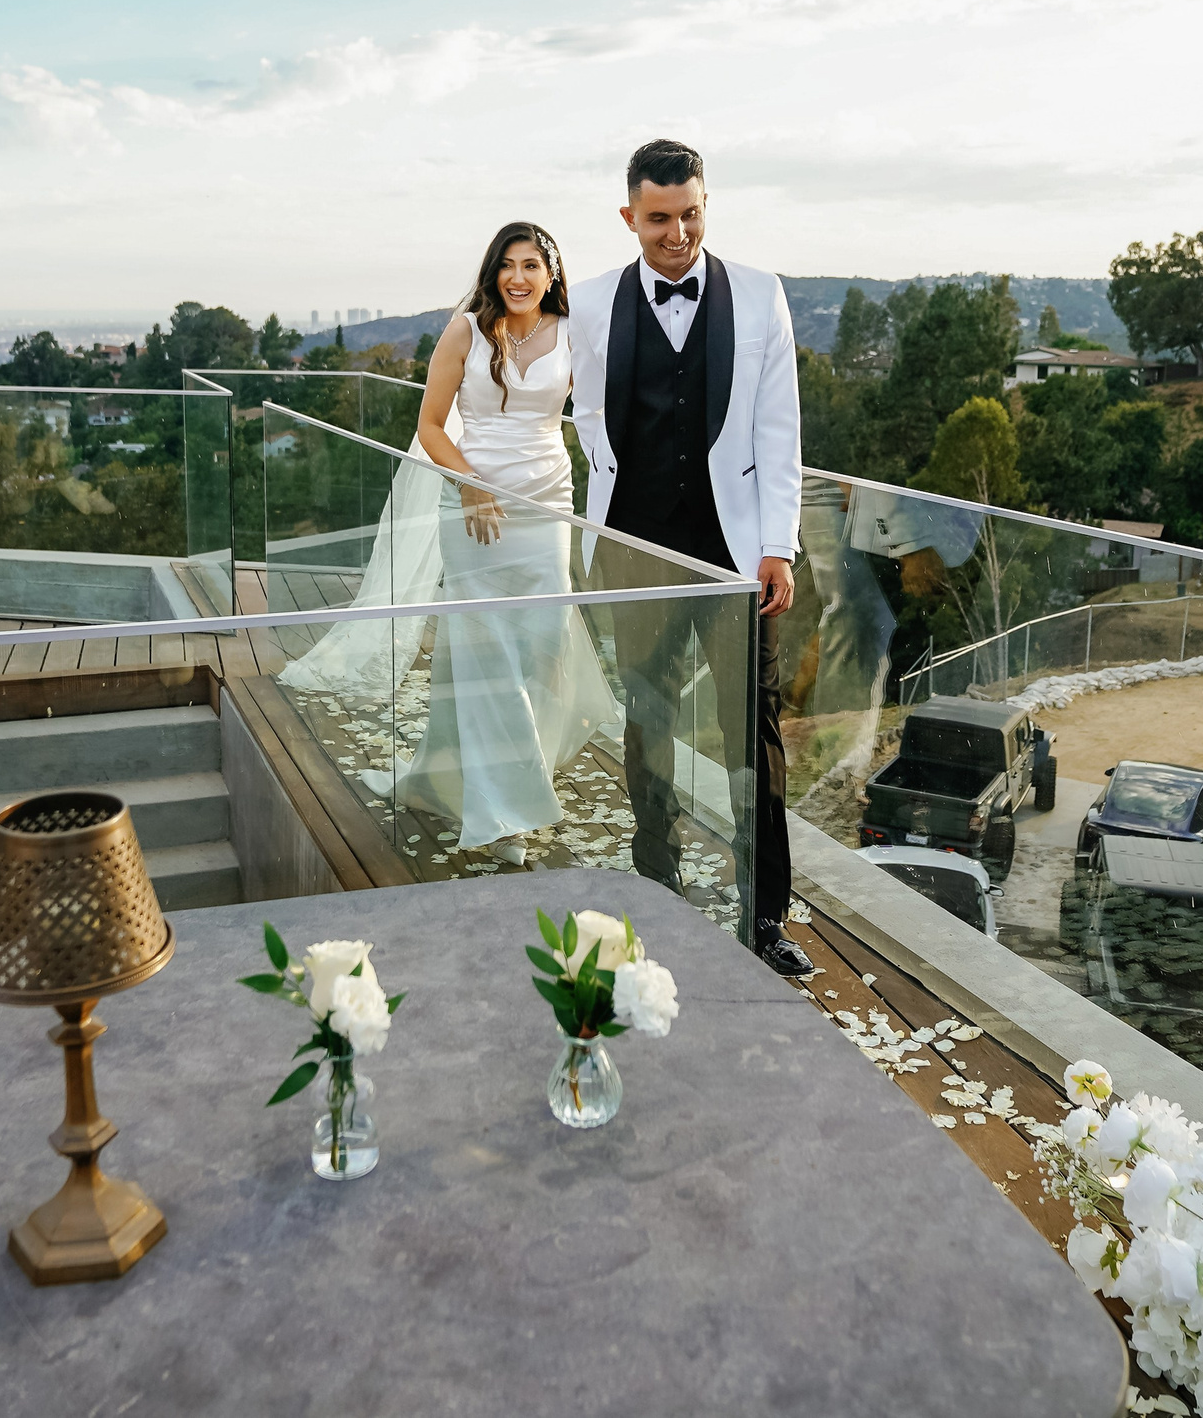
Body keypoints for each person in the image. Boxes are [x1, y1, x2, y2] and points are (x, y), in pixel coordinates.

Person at [286, 221, 619, 858]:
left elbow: (602, 414)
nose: (518, 278)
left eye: (531, 265)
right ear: (494, 272)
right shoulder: (465, 331)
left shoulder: (574, 333)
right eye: (508, 265)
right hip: (473, 512)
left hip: (547, 506)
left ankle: (496, 772)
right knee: (485, 656)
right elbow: (432, 426)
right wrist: (469, 485)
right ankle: (503, 813)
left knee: (543, 648)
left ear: (551, 274)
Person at [568, 139, 813, 976]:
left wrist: (777, 546)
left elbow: (779, 430)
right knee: (649, 723)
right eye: (660, 218)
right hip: (634, 550)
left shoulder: (761, 294)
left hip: (736, 557)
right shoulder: (590, 302)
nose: (677, 234)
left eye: (691, 214)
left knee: (755, 734)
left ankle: (764, 915)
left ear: (706, 205)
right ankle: (657, 889)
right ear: (630, 216)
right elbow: (563, 401)